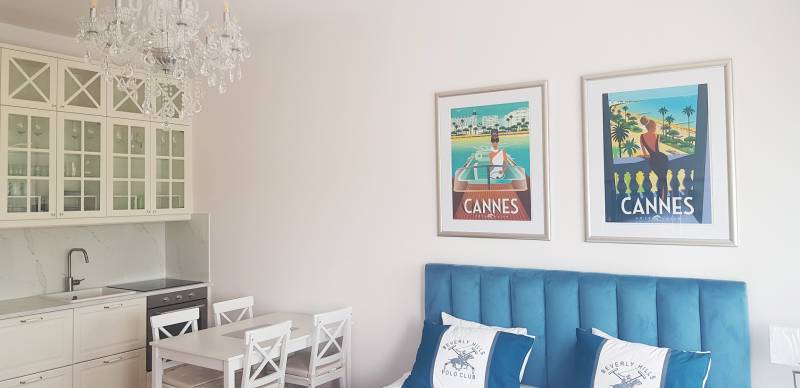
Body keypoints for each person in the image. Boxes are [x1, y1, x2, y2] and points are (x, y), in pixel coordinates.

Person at [639, 116, 669, 199]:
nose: (656, 128)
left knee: (660, 179)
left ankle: (660, 198)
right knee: (664, 180)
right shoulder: (657, 136)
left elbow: (645, 154)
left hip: (653, 160)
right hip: (662, 158)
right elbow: (657, 149)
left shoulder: (641, 137)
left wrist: (643, 156)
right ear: (651, 127)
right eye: (655, 127)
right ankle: (664, 199)